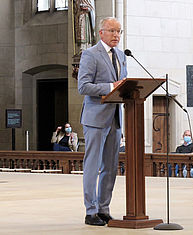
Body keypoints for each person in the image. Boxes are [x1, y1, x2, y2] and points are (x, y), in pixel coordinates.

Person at [77, 17, 127, 226]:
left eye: (119, 31)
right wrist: (109, 87)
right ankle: (91, 211)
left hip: (115, 118)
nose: (116, 35)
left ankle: (104, 208)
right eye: (112, 31)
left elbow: (123, 83)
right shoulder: (90, 54)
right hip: (96, 118)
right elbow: (84, 86)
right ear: (101, 33)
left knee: (110, 166)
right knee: (93, 165)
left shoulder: (122, 55)